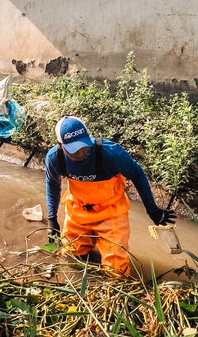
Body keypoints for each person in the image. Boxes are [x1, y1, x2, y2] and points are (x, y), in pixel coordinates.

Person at [45, 116, 175, 275]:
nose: (81, 153)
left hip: (111, 214)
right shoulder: (54, 159)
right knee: (71, 259)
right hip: (78, 211)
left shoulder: (111, 153)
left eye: (84, 146)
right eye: (74, 149)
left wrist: (152, 210)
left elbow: (137, 174)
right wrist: (52, 218)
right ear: (60, 145)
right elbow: (52, 184)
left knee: (116, 272)